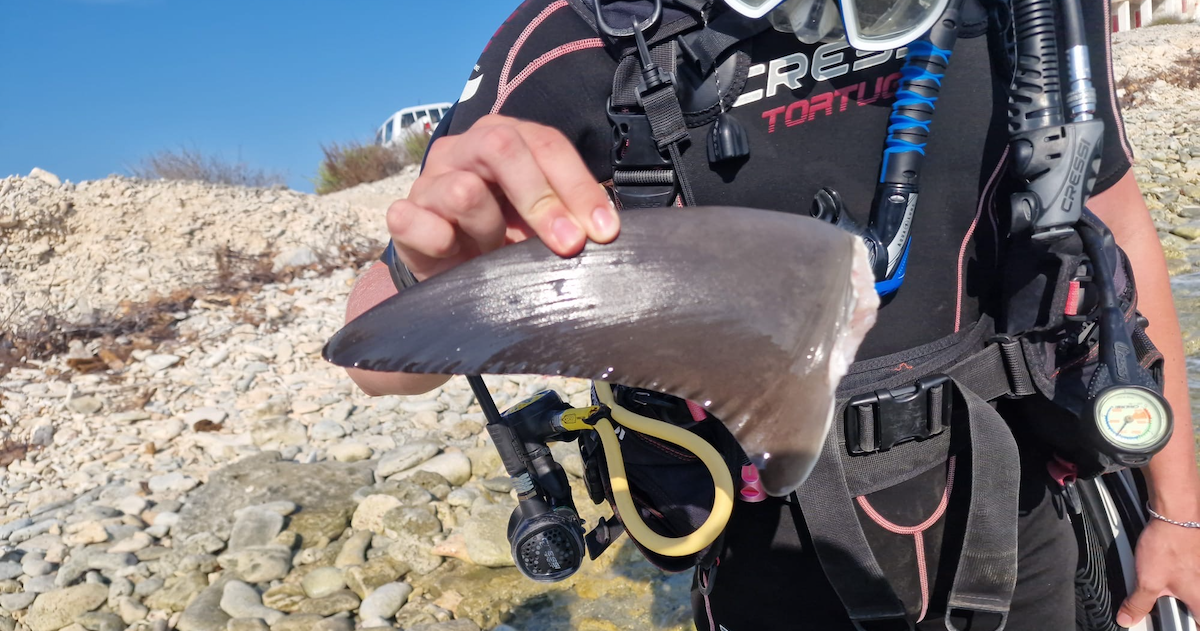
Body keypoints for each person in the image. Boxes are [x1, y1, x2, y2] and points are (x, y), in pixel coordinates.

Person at [343, 0, 1200, 628]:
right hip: (767, 546)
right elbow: (370, 356)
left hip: (1016, 513)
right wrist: (436, 267)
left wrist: (1179, 516)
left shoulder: (1032, 12)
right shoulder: (574, 41)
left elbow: (1117, 227)